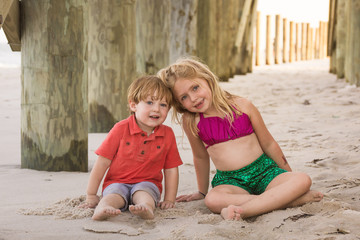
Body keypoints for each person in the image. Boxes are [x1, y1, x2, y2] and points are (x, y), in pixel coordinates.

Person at [157, 57, 323, 220]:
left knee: (302, 179)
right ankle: (285, 201)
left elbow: (269, 143)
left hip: (265, 171)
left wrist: (288, 178)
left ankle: (246, 210)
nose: (193, 98)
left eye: (195, 88)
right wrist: (201, 191)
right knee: (212, 200)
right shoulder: (192, 121)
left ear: (207, 80)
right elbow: (200, 156)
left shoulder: (242, 105)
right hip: (231, 180)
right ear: (179, 103)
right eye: (184, 97)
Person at [80, 75, 183, 220]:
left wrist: (169, 199)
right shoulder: (121, 129)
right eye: (149, 102)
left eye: (163, 105)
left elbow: (171, 169)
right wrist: (91, 195)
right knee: (114, 194)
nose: (157, 109)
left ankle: (146, 208)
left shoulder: (167, 134)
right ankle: (104, 207)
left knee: (145, 194)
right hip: (117, 181)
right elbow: (102, 162)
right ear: (133, 105)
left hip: (148, 182)